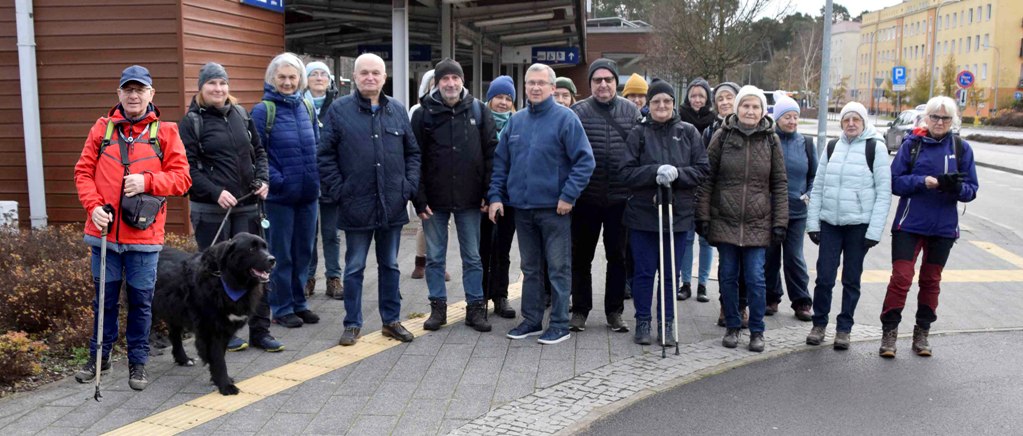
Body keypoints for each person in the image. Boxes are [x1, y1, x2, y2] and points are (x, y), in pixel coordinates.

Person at [73, 65, 192, 390]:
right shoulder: (102, 129)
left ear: (151, 94)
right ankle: (99, 358)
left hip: (144, 238)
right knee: (105, 302)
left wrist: (148, 181)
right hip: (103, 236)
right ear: (119, 94)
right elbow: (83, 173)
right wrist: (93, 208)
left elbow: (182, 179)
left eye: (140, 90)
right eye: (128, 89)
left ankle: (138, 363)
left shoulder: (165, 132)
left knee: (141, 304)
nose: (134, 95)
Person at [319, 53, 421, 346]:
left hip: (392, 203)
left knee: (390, 265)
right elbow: (325, 155)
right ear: (355, 76)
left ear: (384, 78)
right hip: (356, 204)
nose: (370, 78)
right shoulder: (339, 110)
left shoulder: (397, 110)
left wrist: (407, 187)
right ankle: (352, 323)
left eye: (376, 73)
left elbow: (412, 153)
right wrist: (340, 190)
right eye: (364, 73)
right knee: (354, 267)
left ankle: (391, 320)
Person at [180, 62, 282, 353]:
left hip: (247, 207)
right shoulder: (191, 122)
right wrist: (215, 192)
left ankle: (261, 331)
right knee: (214, 274)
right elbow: (187, 168)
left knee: (259, 269)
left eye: (223, 83)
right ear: (201, 88)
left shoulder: (241, 114)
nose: (218, 89)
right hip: (211, 212)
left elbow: (259, 152)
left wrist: (263, 179)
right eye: (212, 83)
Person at [489, 63, 594, 345]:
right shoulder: (516, 121)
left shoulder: (566, 119)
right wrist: (496, 197)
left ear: (552, 88)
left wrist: (568, 196)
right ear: (525, 87)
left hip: (554, 210)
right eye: (531, 83)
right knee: (531, 269)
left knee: (558, 269)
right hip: (522, 210)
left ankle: (559, 324)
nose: (535, 87)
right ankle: (532, 320)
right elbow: (501, 163)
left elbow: (585, 161)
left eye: (541, 83)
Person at [878, 96, 978, 358]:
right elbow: (894, 182)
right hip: (909, 225)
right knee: (901, 279)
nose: (939, 122)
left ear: (953, 121)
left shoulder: (961, 148)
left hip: (943, 229)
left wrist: (952, 186)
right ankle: (889, 332)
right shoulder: (912, 145)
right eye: (935, 117)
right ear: (926, 118)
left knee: (931, 281)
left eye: (945, 118)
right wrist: (923, 181)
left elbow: (971, 190)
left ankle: (922, 333)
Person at [696, 85, 788, 353]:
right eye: (745, 106)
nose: (750, 110)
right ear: (737, 109)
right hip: (725, 218)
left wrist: (780, 222)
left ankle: (757, 330)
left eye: (755, 106)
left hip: (758, 222)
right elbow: (707, 178)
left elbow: (779, 183)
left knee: (756, 278)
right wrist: (703, 215)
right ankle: (732, 325)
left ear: (762, 110)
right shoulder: (722, 136)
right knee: (727, 275)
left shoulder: (771, 140)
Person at [411, 58, 498, 332]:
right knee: (435, 258)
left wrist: (488, 192)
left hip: (471, 198)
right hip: (433, 201)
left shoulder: (479, 111)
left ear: (463, 81)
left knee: (472, 257)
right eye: (445, 79)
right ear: (437, 83)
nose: (450, 83)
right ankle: (438, 309)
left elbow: (491, 154)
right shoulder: (422, 114)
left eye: (455, 78)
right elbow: (413, 158)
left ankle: (475, 308)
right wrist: (418, 197)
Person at [621, 80, 709, 345]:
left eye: (667, 101)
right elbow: (625, 173)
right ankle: (643, 321)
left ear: (673, 103)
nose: (662, 106)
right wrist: (654, 172)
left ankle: (667, 323)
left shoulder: (688, 132)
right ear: (648, 105)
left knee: (670, 275)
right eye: (656, 101)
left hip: (677, 215)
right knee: (644, 273)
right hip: (643, 215)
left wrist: (678, 174)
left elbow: (702, 170)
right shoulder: (638, 133)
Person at [805, 101, 891, 350]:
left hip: (859, 226)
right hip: (830, 223)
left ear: (864, 122)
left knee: (851, 279)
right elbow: (818, 187)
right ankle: (819, 324)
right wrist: (813, 224)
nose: (851, 124)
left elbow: (884, 193)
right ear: (841, 123)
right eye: (846, 120)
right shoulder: (832, 147)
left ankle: (844, 329)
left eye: (856, 119)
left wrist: (874, 231)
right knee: (824, 278)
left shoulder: (875, 147)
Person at [569, 58, 639, 333]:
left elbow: (640, 150)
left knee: (617, 258)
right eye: (597, 80)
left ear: (616, 83)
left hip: (620, 199)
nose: (603, 84)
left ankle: (614, 312)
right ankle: (580, 310)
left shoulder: (631, 112)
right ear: (590, 84)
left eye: (608, 79)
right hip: (585, 198)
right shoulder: (577, 112)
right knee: (581, 257)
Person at [251, 52, 321, 329]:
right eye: (282, 77)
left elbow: (317, 146)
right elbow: (256, 153)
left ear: (300, 79)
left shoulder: (307, 106)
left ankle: (299, 302)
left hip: (308, 195)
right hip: (279, 197)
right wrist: (277, 180)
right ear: (272, 79)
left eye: (292, 77)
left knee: (304, 252)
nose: (288, 82)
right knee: (281, 255)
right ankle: (281, 307)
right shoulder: (263, 111)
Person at [764, 95, 815, 322]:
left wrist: (808, 194)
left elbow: (814, 175)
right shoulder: (768, 140)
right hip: (771, 210)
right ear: (777, 118)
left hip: (797, 211)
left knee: (794, 257)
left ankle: (802, 301)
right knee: (770, 256)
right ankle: (771, 297)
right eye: (787, 117)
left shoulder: (806, 143)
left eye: (795, 116)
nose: (792, 121)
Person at [678, 78, 722, 303]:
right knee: (686, 238)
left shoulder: (714, 123)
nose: (697, 100)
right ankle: (685, 282)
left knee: (705, 239)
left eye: (701, 96)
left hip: (707, 186)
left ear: (707, 99)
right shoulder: (678, 118)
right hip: (686, 184)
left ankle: (702, 284)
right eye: (693, 96)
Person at [303, 61, 344, 300]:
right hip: (306, 179)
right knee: (308, 233)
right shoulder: (299, 104)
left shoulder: (337, 107)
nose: (319, 78)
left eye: (323, 74)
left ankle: (333, 278)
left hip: (331, 179)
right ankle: (308, 277)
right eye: (314, 74)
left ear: (329, 80)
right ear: (305, 79)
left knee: (332, 233)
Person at [700, 82, 740, 324]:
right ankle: (728, 307)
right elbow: (705, 171)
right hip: (721, 206)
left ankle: (742, 306)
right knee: (727, 264)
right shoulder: (711, 131)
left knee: (749, 266)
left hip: (749, 209)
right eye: (720, 99)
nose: (724, 102)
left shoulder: (757, 128)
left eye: (729, 97)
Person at [480, 75, 518, 319]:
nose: (503, 102)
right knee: (482, 249)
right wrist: (483, 195)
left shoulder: (518, 124)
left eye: (508, 98)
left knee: (502, 249)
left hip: (510, 198)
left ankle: (500, 296)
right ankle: (480, 296)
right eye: (498, 97)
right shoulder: (479, 123)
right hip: (483, 200)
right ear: (490, 99)